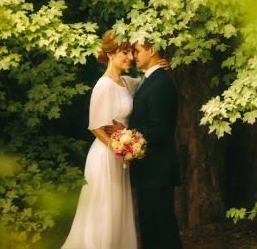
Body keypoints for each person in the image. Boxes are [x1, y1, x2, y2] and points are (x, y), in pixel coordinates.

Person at [61, 32, 142, 249]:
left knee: (117, 209)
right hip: (105, 156)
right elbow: (95, 127)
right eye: (125, 52)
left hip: (119, 156)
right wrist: (118, 147)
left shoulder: (126, 82)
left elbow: (147, 80)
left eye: (132, 53)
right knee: (105, 210)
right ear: (111, 53)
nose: (131, 57)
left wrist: (160, 65)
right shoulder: (103, 85)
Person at [122, 42, 183, 249]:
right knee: (150, 231)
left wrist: (125, 136)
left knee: (162, 231)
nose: (133, 55)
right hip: (148, 170)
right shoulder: (147, 80)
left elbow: (158, 130)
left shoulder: (161, 84)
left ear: (152, 50)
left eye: (136, 51)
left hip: (158, 169)